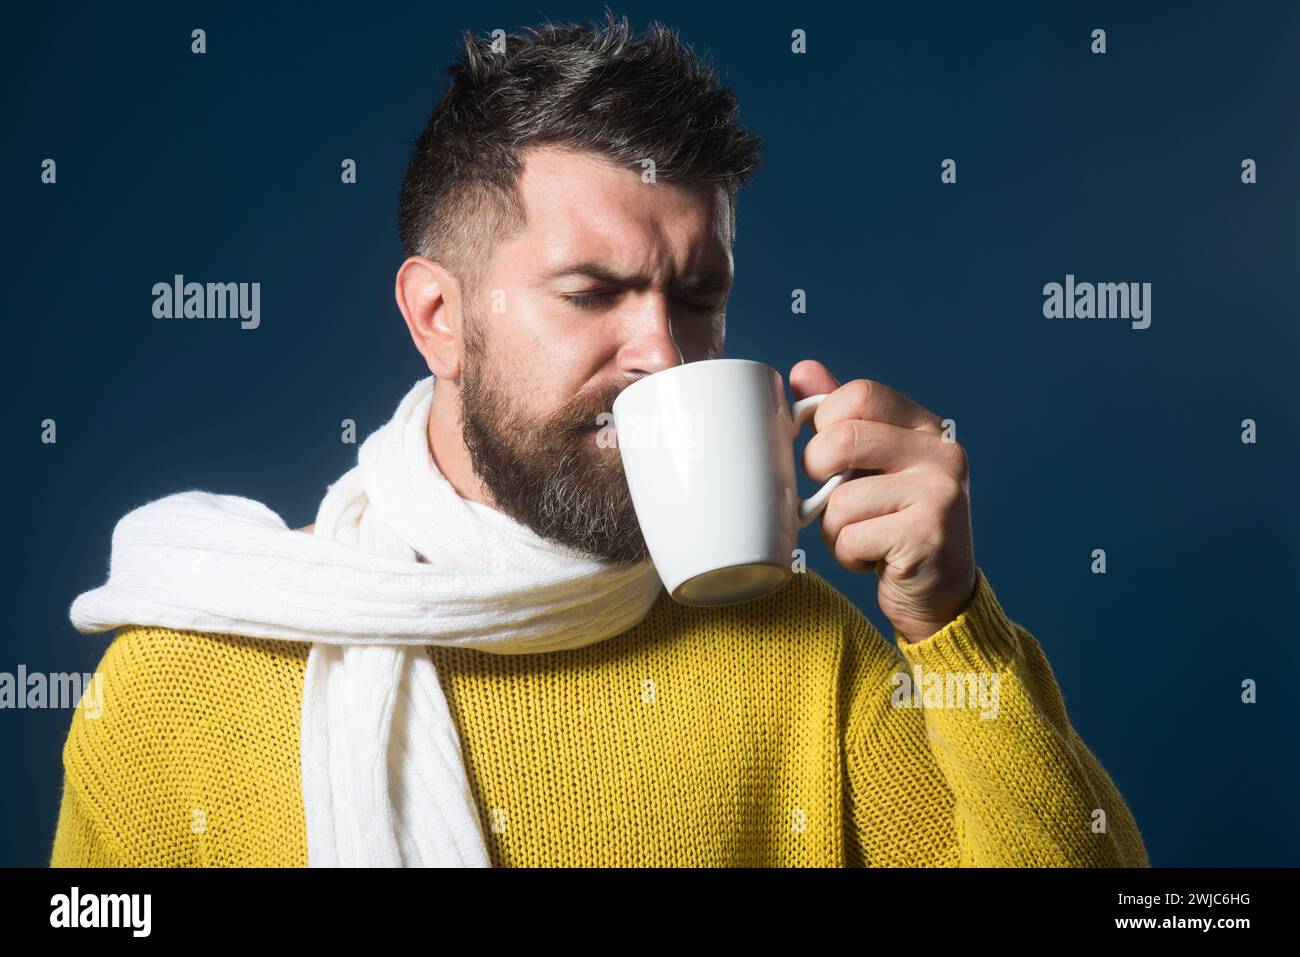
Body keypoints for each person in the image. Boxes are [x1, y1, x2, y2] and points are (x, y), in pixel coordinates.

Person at [50, 10, 1147, 868]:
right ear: (440, 319)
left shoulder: (809, 653)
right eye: (593, 292)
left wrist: (949, 622)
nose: (662, 355)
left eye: (698, 298)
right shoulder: (176, 685)